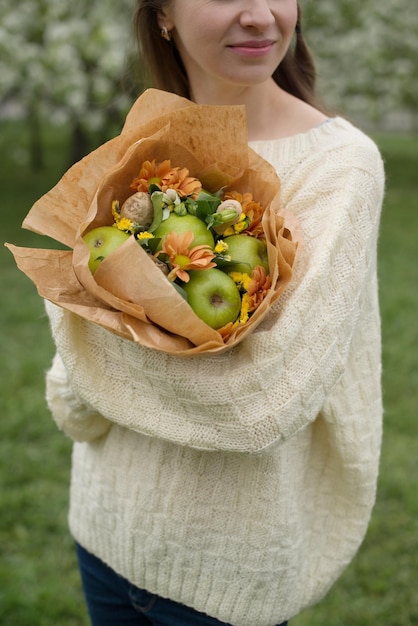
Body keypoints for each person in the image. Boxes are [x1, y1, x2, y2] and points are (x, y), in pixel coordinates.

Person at [44, 0, 385, 624]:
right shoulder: (142, 144)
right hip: (104, 520)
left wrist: (88, 354)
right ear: (164, 15)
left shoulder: (340, 168)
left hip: (225, 572)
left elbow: (264, 402)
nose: (259, 15)